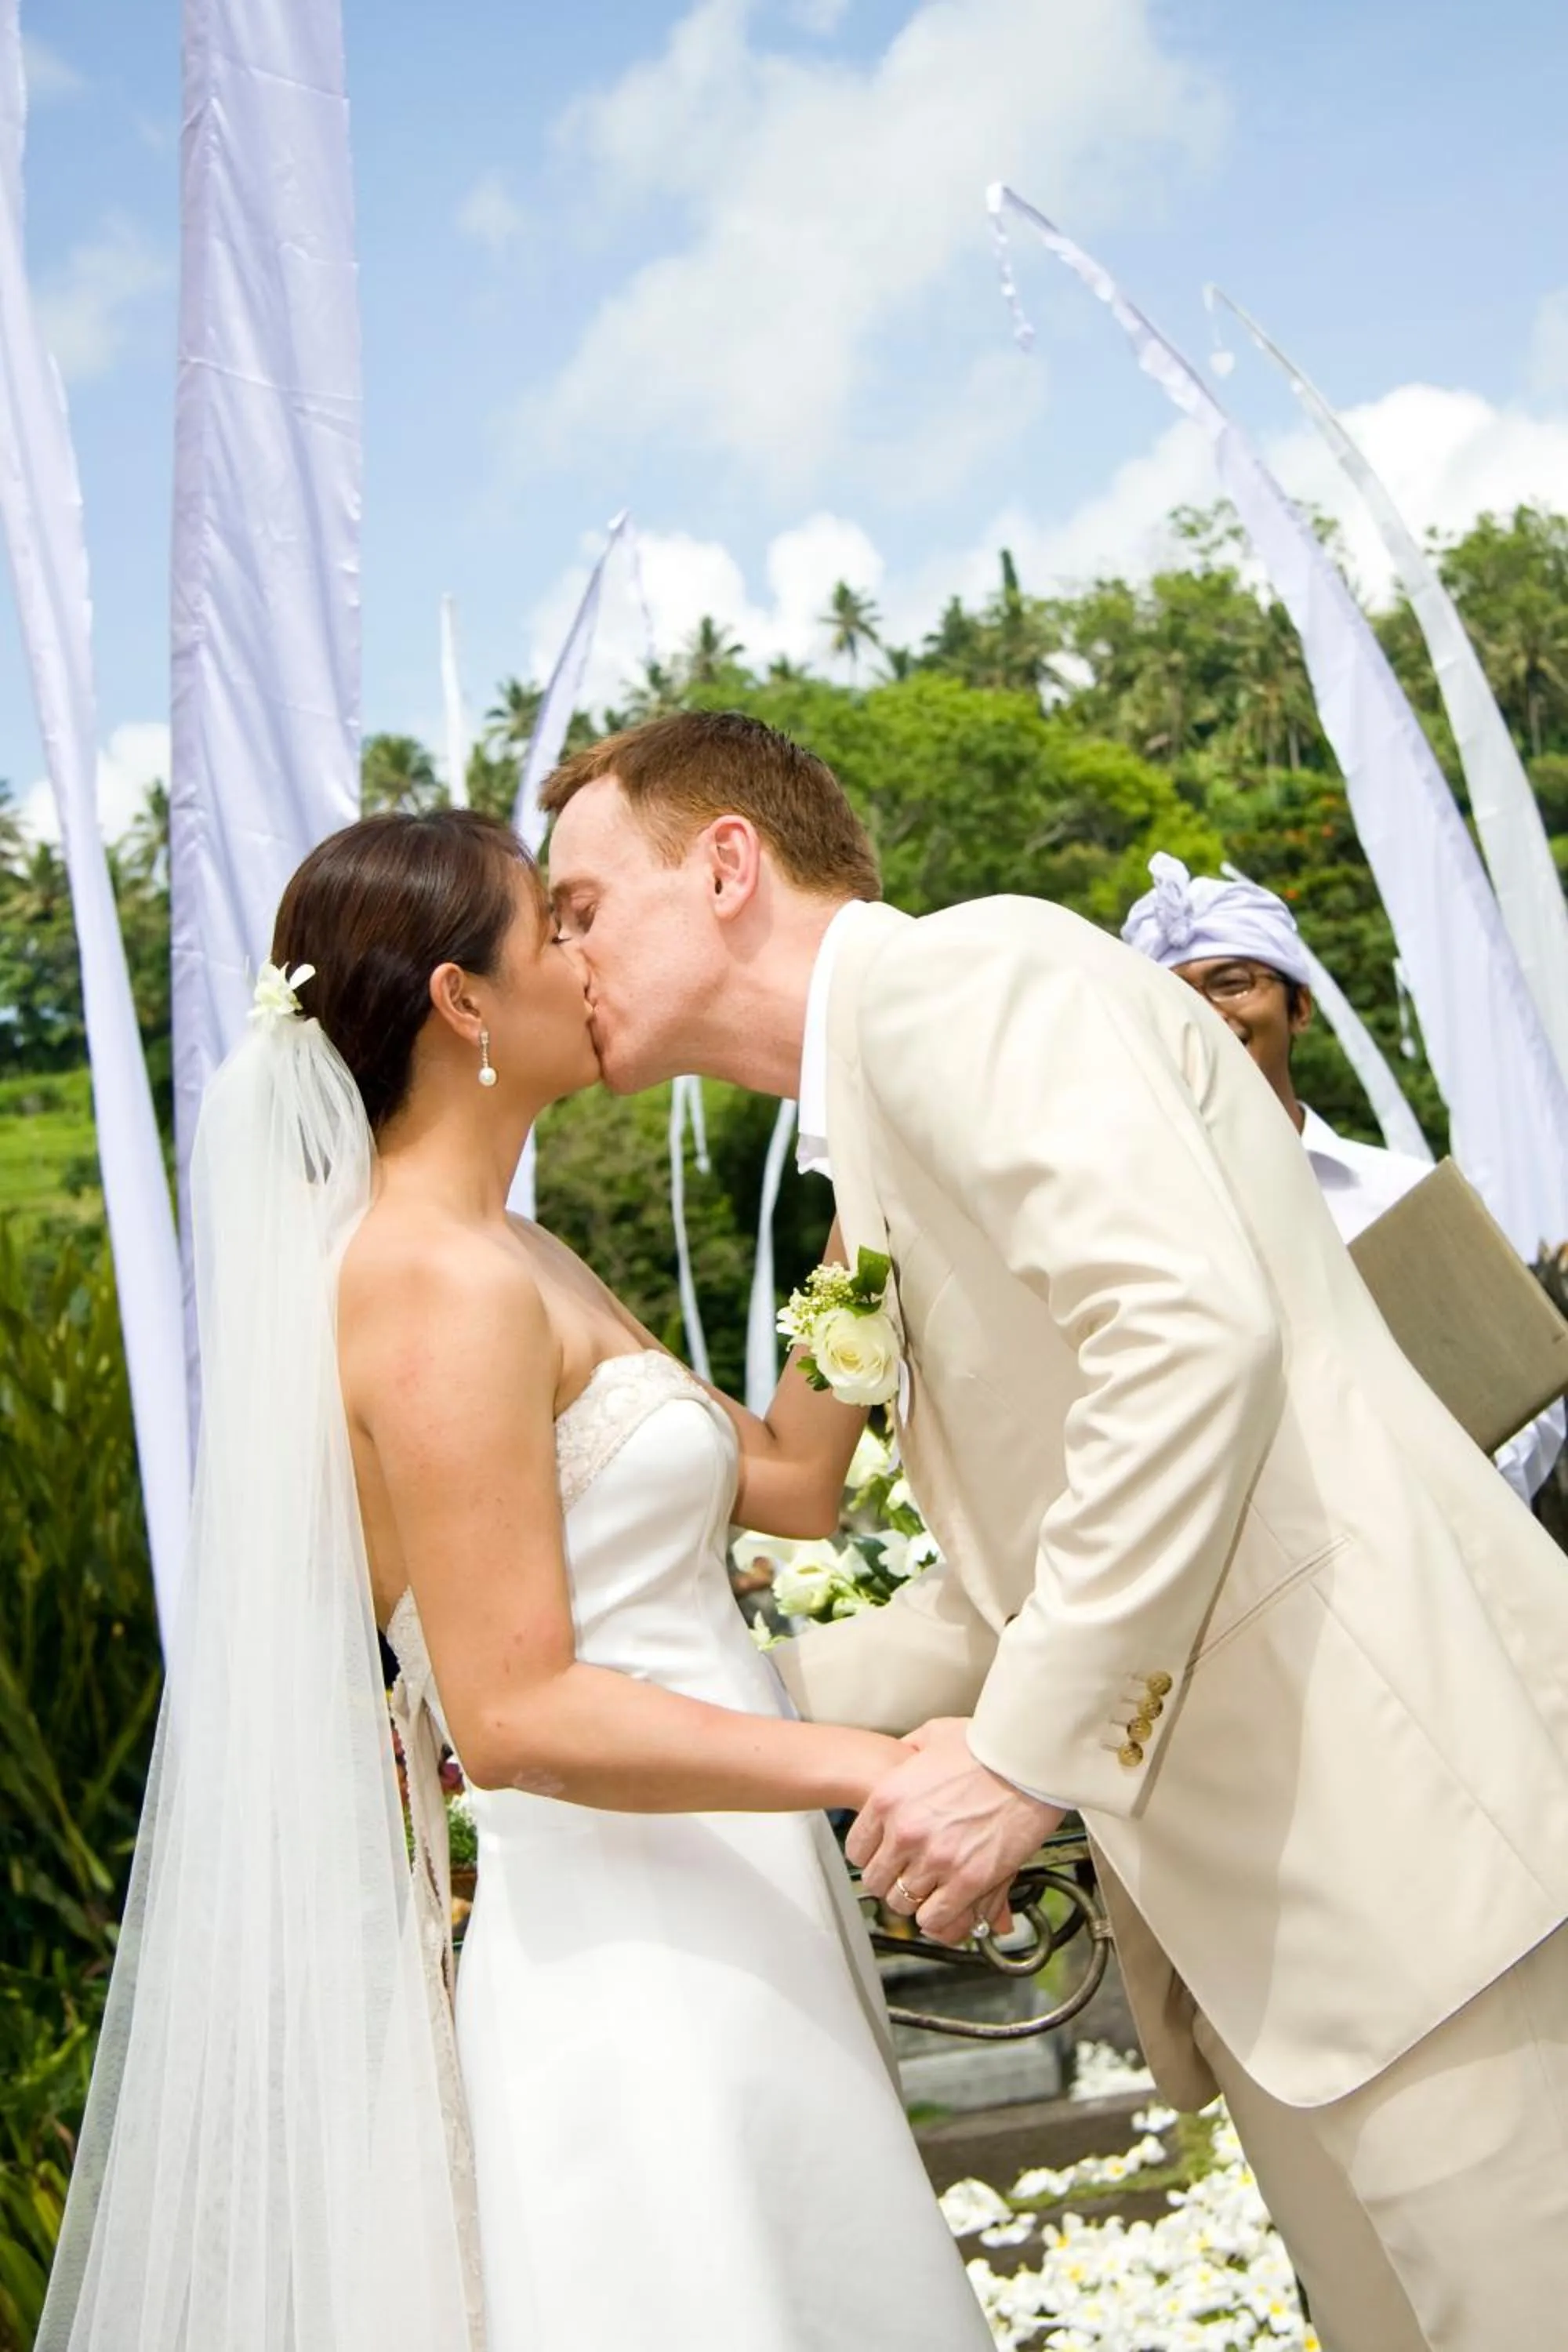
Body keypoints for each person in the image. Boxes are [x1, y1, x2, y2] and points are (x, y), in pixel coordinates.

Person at [543, 707, 1568, 2352]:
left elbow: (1183, 1336)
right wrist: (691, 1701)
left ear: (724, 864)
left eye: (581, 904)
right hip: (1295, 1950)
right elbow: (1006, 1581)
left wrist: (1017, 1758)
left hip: (1420, 1867)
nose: (558, 948)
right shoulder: (863, 1150)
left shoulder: (968, 982)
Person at [38, 810, 993, 2352]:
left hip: (734, 1888)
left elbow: (795, 1486)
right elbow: (519, 1711)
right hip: (626, 1952)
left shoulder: (526, 1254)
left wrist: (865, 1220)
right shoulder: (427, 1282)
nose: (592, 955)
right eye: (557, 926)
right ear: (463, 1000)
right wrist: (877, 1767)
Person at [1120, 851, 1564, 1504]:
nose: (1206, 1017)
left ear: (1300, 1007)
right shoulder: (1128, 1221)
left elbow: (1529, 1390)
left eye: (1233, 982)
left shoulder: (1402, 1195)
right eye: (1174, 998)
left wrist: (1450, 1495)